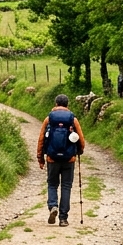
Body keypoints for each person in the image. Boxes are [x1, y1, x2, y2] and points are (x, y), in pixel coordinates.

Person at [37, 94, 85, 227]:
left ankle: (53, 206)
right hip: (69, 158)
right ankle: (63, 218)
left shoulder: (49, 119)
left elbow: (41, 139)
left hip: (52, 158)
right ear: (67, 105)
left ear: (56, 104)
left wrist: (40, 158)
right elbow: (81, 138)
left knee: (52, 184)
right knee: (66, 186)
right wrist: (79, 151)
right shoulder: (72, 119)